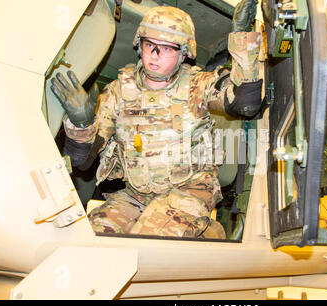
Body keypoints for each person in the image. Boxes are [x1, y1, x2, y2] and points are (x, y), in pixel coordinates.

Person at [50, 0, 263, 239]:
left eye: (167, 48)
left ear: (184, 54)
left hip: (191, 190)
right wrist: (81, 123)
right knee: (89, 238)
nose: (154, 55)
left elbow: (245, 102)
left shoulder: (197, 85)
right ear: (138, 44)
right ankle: (206, 233)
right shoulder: (119, 91)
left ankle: (203, 230)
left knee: (146, 240)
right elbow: (82, 161)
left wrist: (243, 41)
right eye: (149, 44)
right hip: (136, 195)